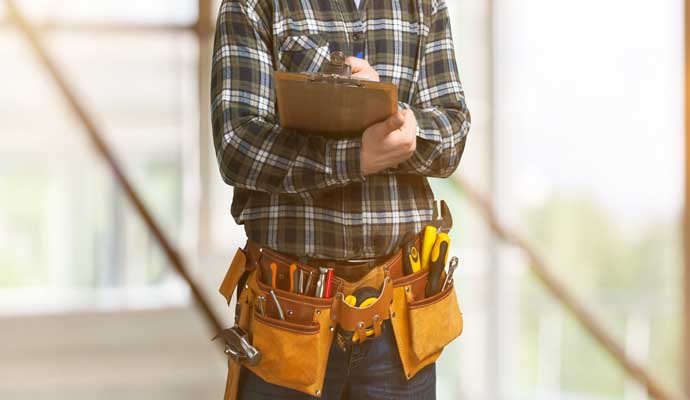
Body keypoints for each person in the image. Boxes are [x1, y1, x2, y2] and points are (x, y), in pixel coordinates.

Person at [211, 0, 470, 398]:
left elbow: (452, 133)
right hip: (289, 320)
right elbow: (237, 145)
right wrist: (357, 157)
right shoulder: (252, 5)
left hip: (400, 320)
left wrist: (395, 120)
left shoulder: (424, 5)